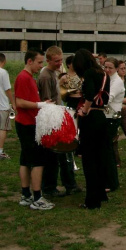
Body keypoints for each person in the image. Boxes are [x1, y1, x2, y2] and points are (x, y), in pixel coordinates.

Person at [14, 49, 54, 210]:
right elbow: (20, 102)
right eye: (39, 62)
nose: (41, 65)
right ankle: (37, 197)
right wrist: (40, 105)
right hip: (27, 124)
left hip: (27, 123)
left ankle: (26, 194)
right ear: (29, 61)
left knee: (25, 160)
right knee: (37, 161)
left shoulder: (29, 77)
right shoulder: (23, 77)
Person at [38, 46, 81, 197]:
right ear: (48, 60)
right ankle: (49, 188)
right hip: (52, 120)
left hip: (58, 116)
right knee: (52, 156)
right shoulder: (45, 76)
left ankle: (69, 184)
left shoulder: (54, 73)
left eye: (61, 60)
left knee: (64, 154)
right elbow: (46, 101)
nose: (59, 63)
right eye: (56, 61)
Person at [74, 49, 111, 209]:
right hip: (102, 117)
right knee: (100, 157)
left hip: (91, 119)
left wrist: (84, 110)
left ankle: (92, 201)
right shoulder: (104, 74)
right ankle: (101, 193)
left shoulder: (89, 74)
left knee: (89, 160)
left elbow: (89, 95)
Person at [102, 58, 122, 191]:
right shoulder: (106, 79)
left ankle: (111, 182)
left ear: (116, 69)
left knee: (108, 150)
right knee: (106, 149)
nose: (107, 70)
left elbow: (107, 99)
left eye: (110, 68)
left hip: (112, 117)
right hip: (106, 116)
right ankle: (108, 180)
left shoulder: (117, 81)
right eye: (106, 67)